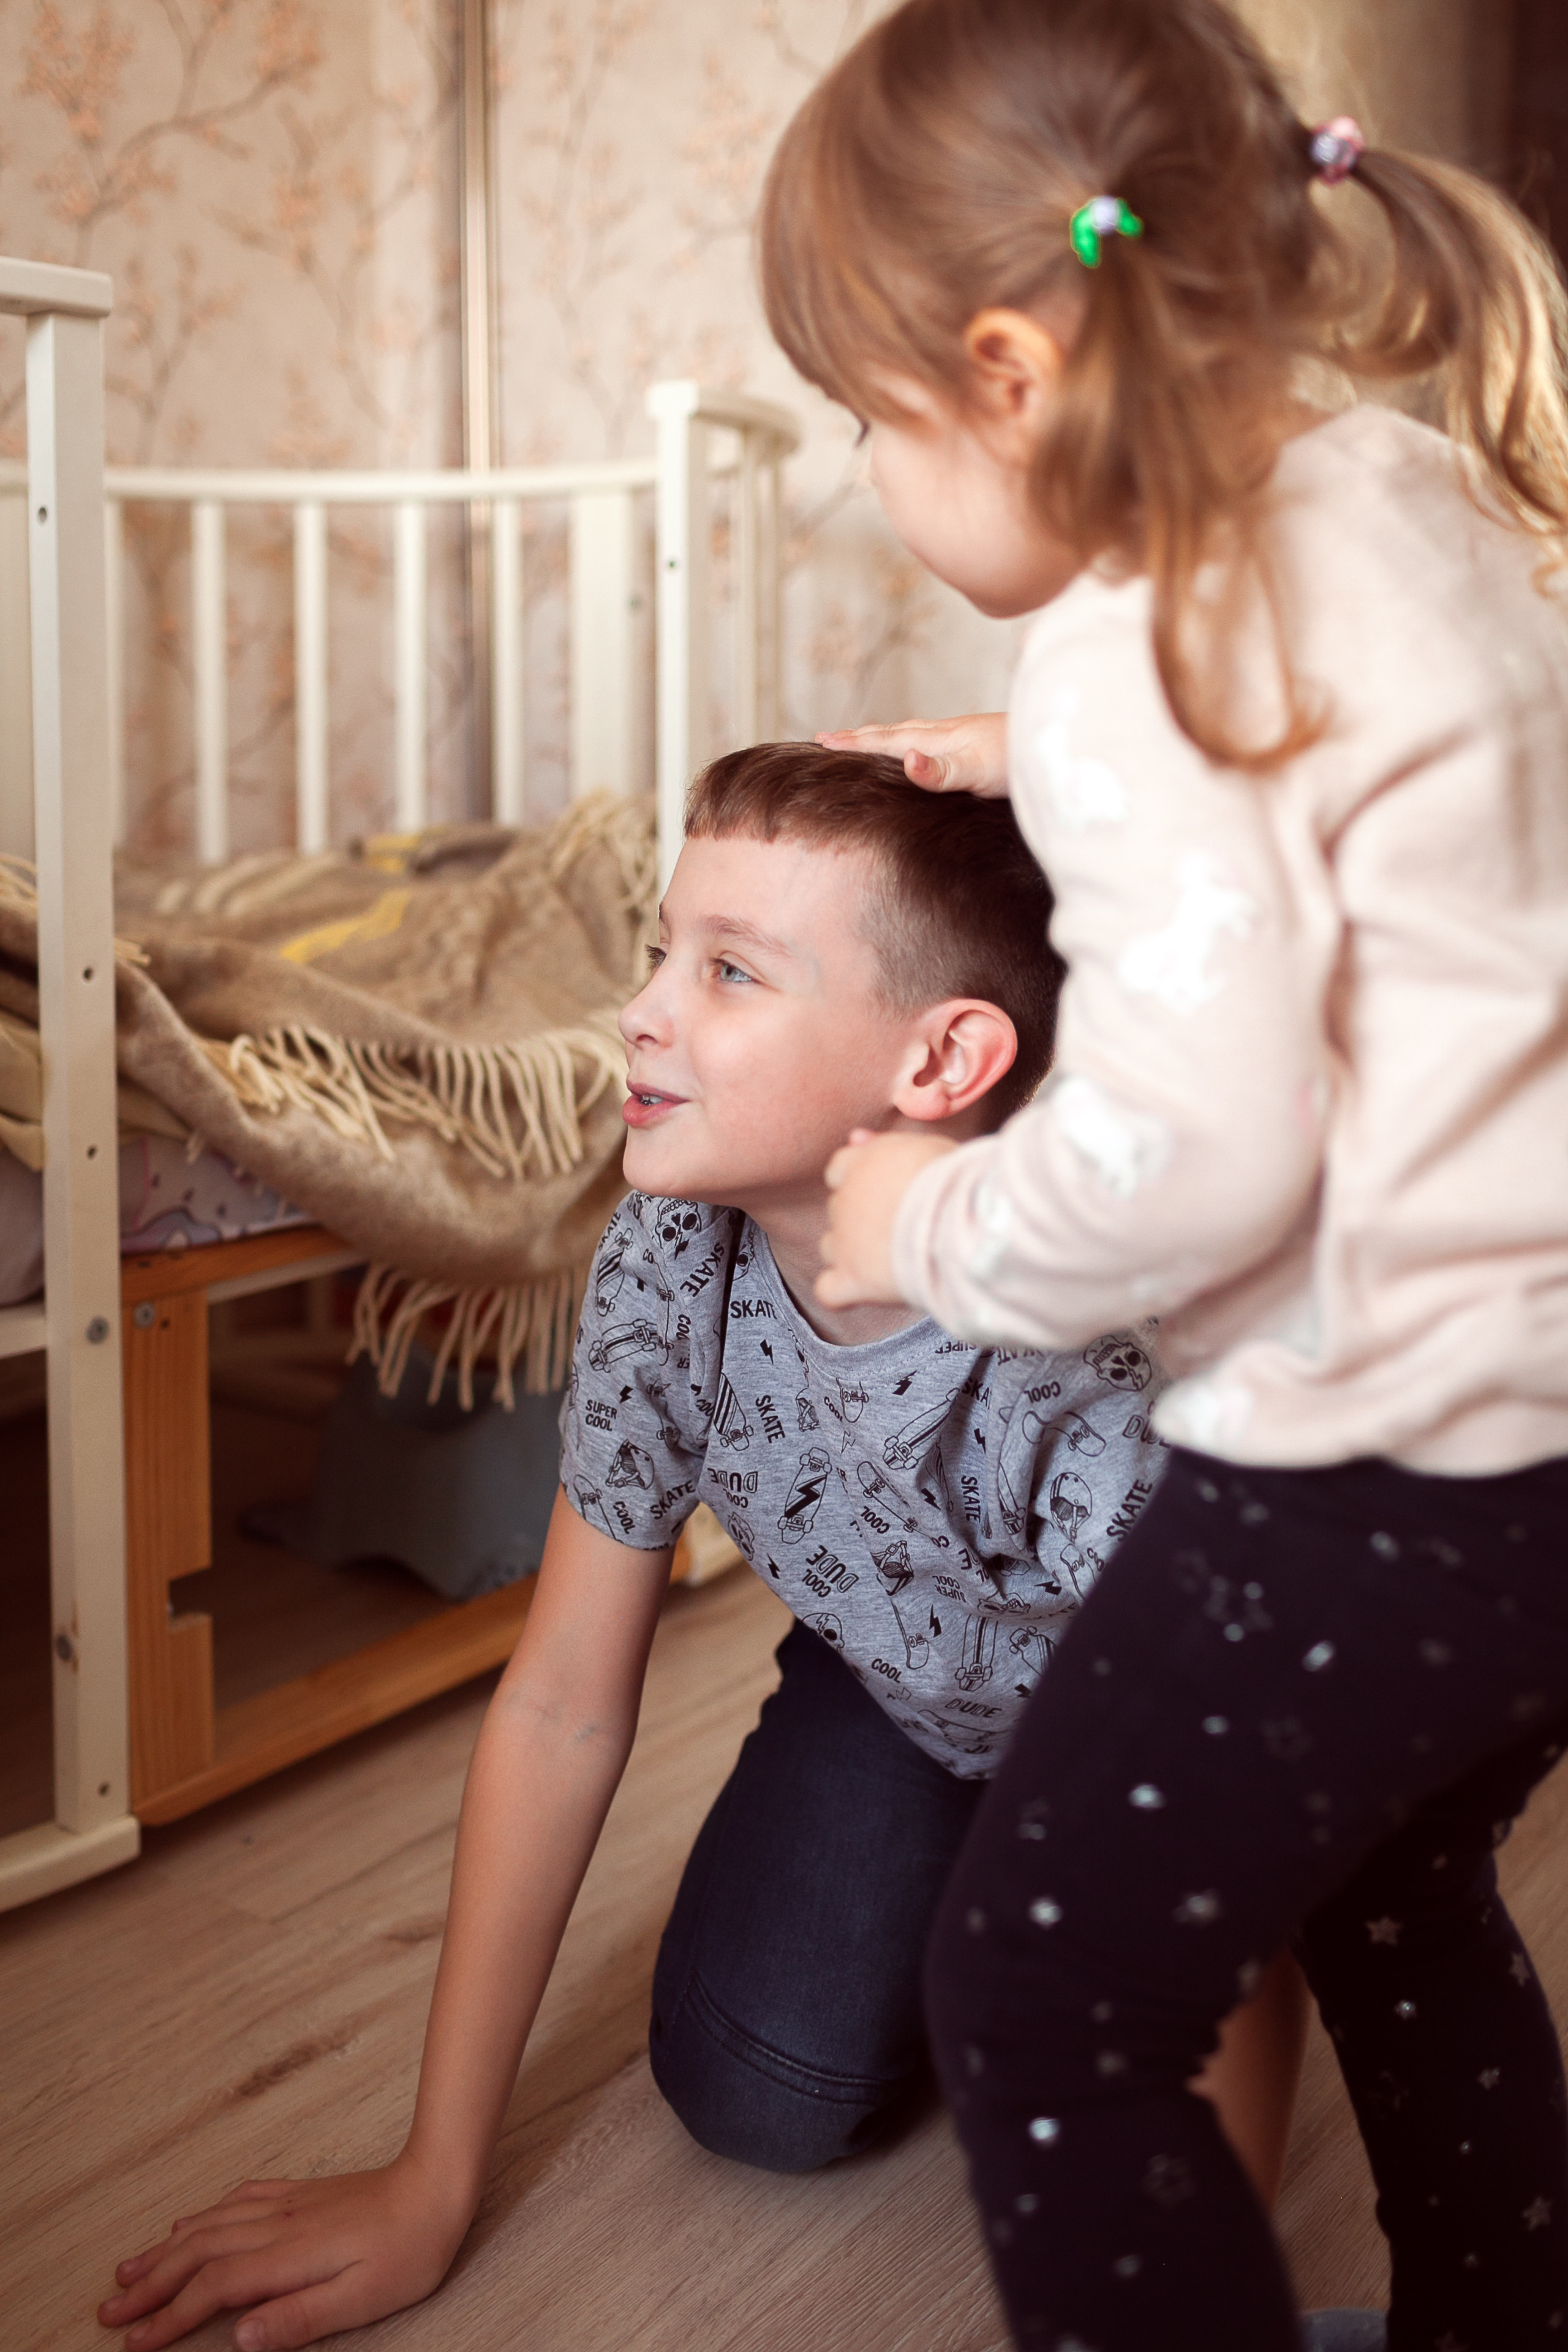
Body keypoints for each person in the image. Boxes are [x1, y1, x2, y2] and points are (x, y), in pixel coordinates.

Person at [96, 744, 1316, 2352]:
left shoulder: (1087, 1374)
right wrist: (430, 2179)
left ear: (942, 1060)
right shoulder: (672, 1255)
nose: (644, 1012)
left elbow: (1220, 1851)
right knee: (756, 2090)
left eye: (729, 972)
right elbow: (558, 1700)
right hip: (899, 1682)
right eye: (662, 950)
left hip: (1168, 1755)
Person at [755, 2, 1568, 2348]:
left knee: (1040, 1998)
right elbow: (1382, 787)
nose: (876, 474)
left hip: (1376, 1458)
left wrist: (935, 1226)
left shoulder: (1142, 650)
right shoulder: (1392, 495)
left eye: (871, 424)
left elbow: (1191, 1165)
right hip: (1541, 1448)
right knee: (1405, 1908)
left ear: (1007, 370)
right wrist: (1036, 750)